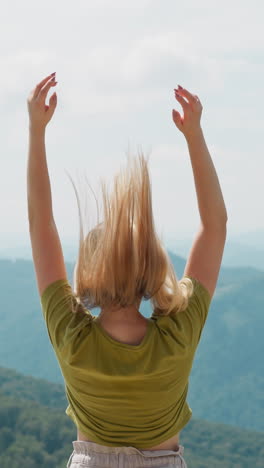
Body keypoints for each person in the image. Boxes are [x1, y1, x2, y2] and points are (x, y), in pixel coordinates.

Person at [27, 73, 227, 468]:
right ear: (152, 269)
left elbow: (40, 224)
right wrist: (194, 136)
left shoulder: (71, 336)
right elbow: (215, 225)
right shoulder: (178, 334)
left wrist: (36, 132)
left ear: (89, 270)